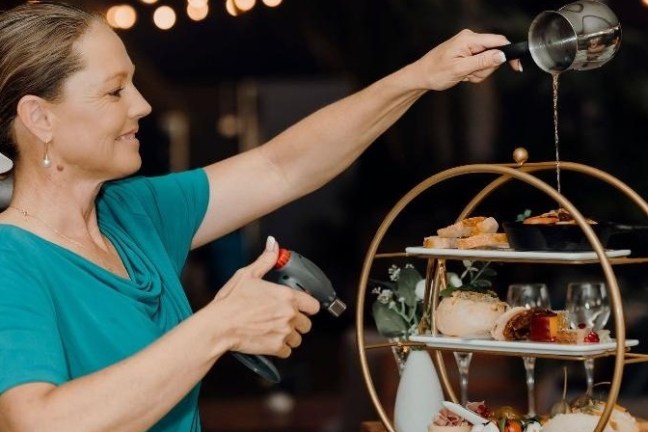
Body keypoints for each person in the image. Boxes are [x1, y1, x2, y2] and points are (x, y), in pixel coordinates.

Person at [0, 2, 520, 431]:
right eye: (115, 91)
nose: (141, 106)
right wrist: (218, 328)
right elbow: (36, 421)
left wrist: (419, 77)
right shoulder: (11, 259)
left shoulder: (133, 212)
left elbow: (281, 166)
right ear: (39, 117)